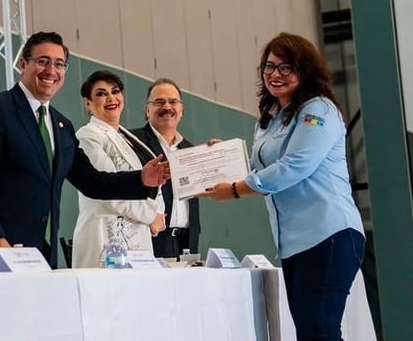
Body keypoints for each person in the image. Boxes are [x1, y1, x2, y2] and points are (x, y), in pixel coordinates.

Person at [200, 32, 365, 340]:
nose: (275, 74)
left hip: (328, 233)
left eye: (286, 67)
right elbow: (261, 170)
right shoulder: (270, 118)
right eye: (269, 66)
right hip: (294, 242)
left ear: (305, 70)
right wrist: (223, 159)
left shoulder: (319, 110)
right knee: (311, 332)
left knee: (319, 330)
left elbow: (295, 166)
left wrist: (235, 190)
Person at [0, 31, 170, 268]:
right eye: (43, 61)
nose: (51, 70)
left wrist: (141, 178)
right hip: (4, 247)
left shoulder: (61, 125)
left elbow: (92, 181)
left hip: (44, 252)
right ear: (23, 64)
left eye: (59, 64)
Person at [71, 70, 166, 268]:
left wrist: (159, 213)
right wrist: (152, 215)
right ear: (88, 103)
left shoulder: (128, 137)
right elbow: (109, 189)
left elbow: (154, 182)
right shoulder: (88, 135)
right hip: (105, 237)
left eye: (115, 91)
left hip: (139, 239)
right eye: (101, 93)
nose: (111, 98)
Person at [130, 78, 201, 259]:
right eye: (159, 102)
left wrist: (216, 154)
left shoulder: (191, 150)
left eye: (173, 102)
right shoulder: (132, 142)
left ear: (181, 110)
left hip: (186, 243)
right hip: (149, 239)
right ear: (147, 110)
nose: (167, 107)